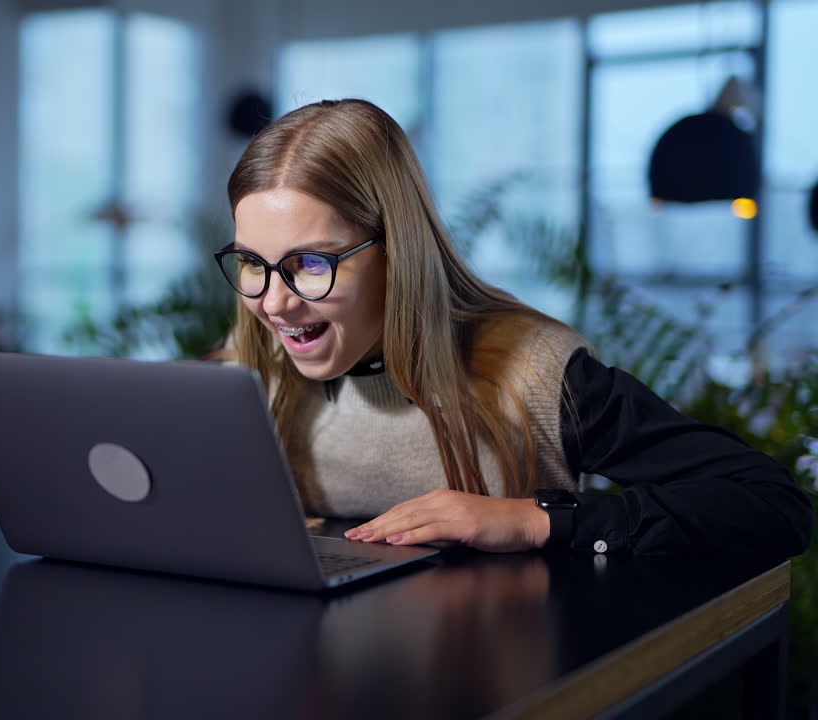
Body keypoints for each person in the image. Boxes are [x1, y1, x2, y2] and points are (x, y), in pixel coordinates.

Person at [213, 98, 813, 557]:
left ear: (399, 254)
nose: (274, 305)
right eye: (252, 264)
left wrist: (533, 519)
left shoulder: (533, 373)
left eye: (310, 264)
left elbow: (771, 504)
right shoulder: (251, 364)